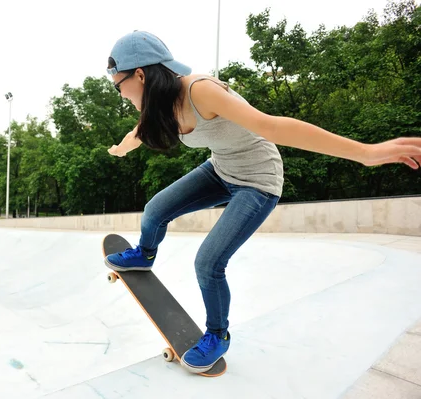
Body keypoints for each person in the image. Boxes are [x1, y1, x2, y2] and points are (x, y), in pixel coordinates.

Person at [103, 30, 421, 374]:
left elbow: (271, 126)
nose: (120, 94)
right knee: (155, 210)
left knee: (208, 262)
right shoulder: (159, 106)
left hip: (258, 182)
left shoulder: (201, 90)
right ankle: (144, 254)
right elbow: (137, 133)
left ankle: (217, 335)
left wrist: (365, 153)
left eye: (117, 85)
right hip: (220, 170)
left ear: (140, 74)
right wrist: (120, 149)